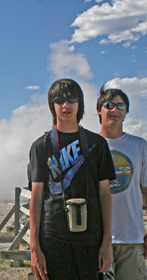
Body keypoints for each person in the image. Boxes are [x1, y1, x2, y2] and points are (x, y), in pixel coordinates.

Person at [29, 79, 116, 280]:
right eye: (59, 100)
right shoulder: (40, 146)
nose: (66, 105)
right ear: (52, 105)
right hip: (52, 238)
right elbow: (37, 197)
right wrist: (35, 248)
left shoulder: (97, 144)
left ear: (80, 103)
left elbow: (105, 194)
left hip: (90, 238)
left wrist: (106, 242)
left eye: (72, 99)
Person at [96, 86, 147, 280]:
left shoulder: (139, 146)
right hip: (96, 239)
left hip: (131, 237)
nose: (114, 110)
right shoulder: (90, 146)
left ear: (126, 112)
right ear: (99, 110)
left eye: (120, 105)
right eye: (109, 105)